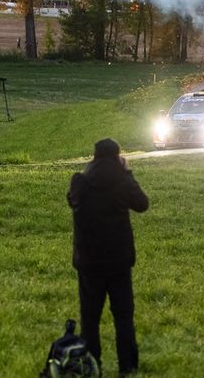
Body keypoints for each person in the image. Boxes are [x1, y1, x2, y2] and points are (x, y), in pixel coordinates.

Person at [68, 138, 149, 376]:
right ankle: (128, 366)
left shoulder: (79, 182)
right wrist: (127, 173)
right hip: (118, 262)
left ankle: (93, 365)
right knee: (123, 316)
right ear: (117, 157)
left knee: (90, 318)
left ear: (93, 157)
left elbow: (70, 201)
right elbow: (142, 204)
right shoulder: (122, 182)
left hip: (89, 262)